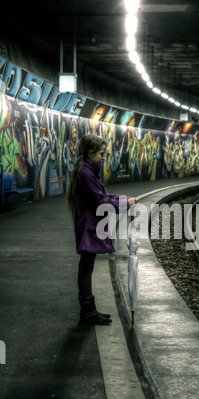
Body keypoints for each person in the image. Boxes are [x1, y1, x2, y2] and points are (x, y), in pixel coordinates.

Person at [67, 134, 137, 325]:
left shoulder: (88, 170)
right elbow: (101, 201)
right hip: (89, 225)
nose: (104, 157)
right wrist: (125, 203)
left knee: (87, 267)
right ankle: (87, 312)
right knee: (86, 267)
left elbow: (103, 195)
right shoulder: (86, 174)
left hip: (90, 223)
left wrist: (124, 200)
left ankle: (89, 310)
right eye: (101, 153)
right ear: (90, 154)